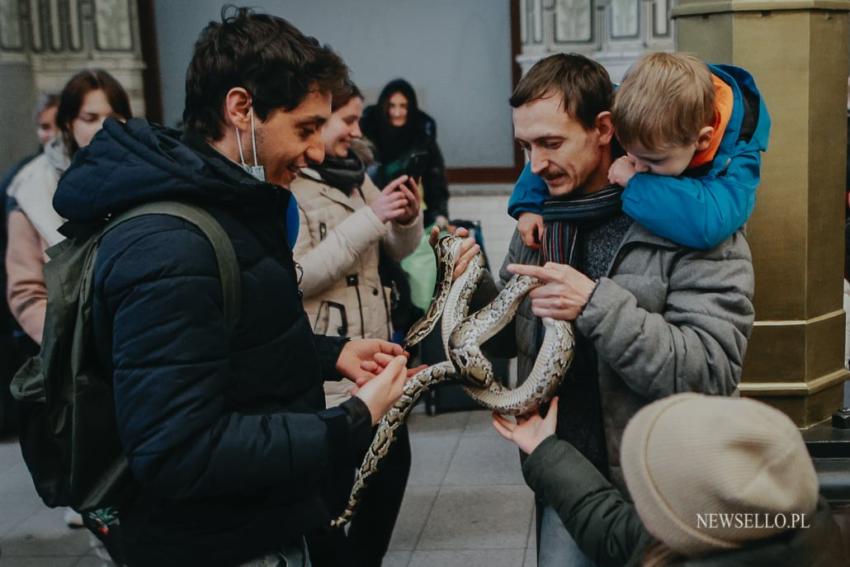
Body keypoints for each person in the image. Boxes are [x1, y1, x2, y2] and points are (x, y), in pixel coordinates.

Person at [51, 8, 412, 566]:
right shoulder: (169, 243)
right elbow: (179, 449)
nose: (318, 151)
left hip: (263, 523)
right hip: (217, 544)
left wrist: (331, 353)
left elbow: (223, 340)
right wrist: (349, 421)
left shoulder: (229, 206)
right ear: (241, 109)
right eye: (306, 127)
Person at [478, 53, 755, 567]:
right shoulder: (541, 220)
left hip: (664, 494)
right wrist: (465, 287)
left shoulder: (694, 226)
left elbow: (711, 371)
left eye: (551, 143)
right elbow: (504, 338)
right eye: (526, 146)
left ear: (604, 129)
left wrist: (594, 304)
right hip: (564, 473)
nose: (535, 165)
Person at [289, 79, 423, 566]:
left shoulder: (356, 175)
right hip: (330, 381)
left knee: (389, 478)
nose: (356, 129)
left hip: (376, 369)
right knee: (333, 510)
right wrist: (371, 218)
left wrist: (406, 218)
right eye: (347, 119)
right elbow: (295, 276)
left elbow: (399, 252)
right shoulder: (290, 187)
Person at [493, 393, 844, 565]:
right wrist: (546, 450)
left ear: (683, 529)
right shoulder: (794, 523)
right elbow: (616, 527)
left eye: (651, 500)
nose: (641, 511)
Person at [508, 51, 770, 251]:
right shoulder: (635, 104)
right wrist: (529, 203)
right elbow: (562, 130)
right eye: (631, 154)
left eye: (652, 160)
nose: (637, 165)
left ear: (701, 140)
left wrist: (635, 182)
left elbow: (708, 224)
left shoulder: (736, 159)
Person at [6, 70, 131, 345]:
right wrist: (71, 347)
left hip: (135, 335)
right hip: (73, 351)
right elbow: (27, 292)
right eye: (90, 118)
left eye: (113, 117)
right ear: (68, 123)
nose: (104, 127)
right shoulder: (32, 187)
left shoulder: (143, 173)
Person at [0, 93, 59, 434]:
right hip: (38, 322)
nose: (48, 134)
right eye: (42, 127)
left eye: (54, 125)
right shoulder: (21, 181)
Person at [360, 78, 449, 227]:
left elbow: (435, 178)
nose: (397, 113)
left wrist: (438, 214)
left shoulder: (422, 135)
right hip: (373, 212)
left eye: (403, 106)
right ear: (384, 107)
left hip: (410, 213)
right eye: (391, 106)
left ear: (411, 108)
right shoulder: (368, 131)